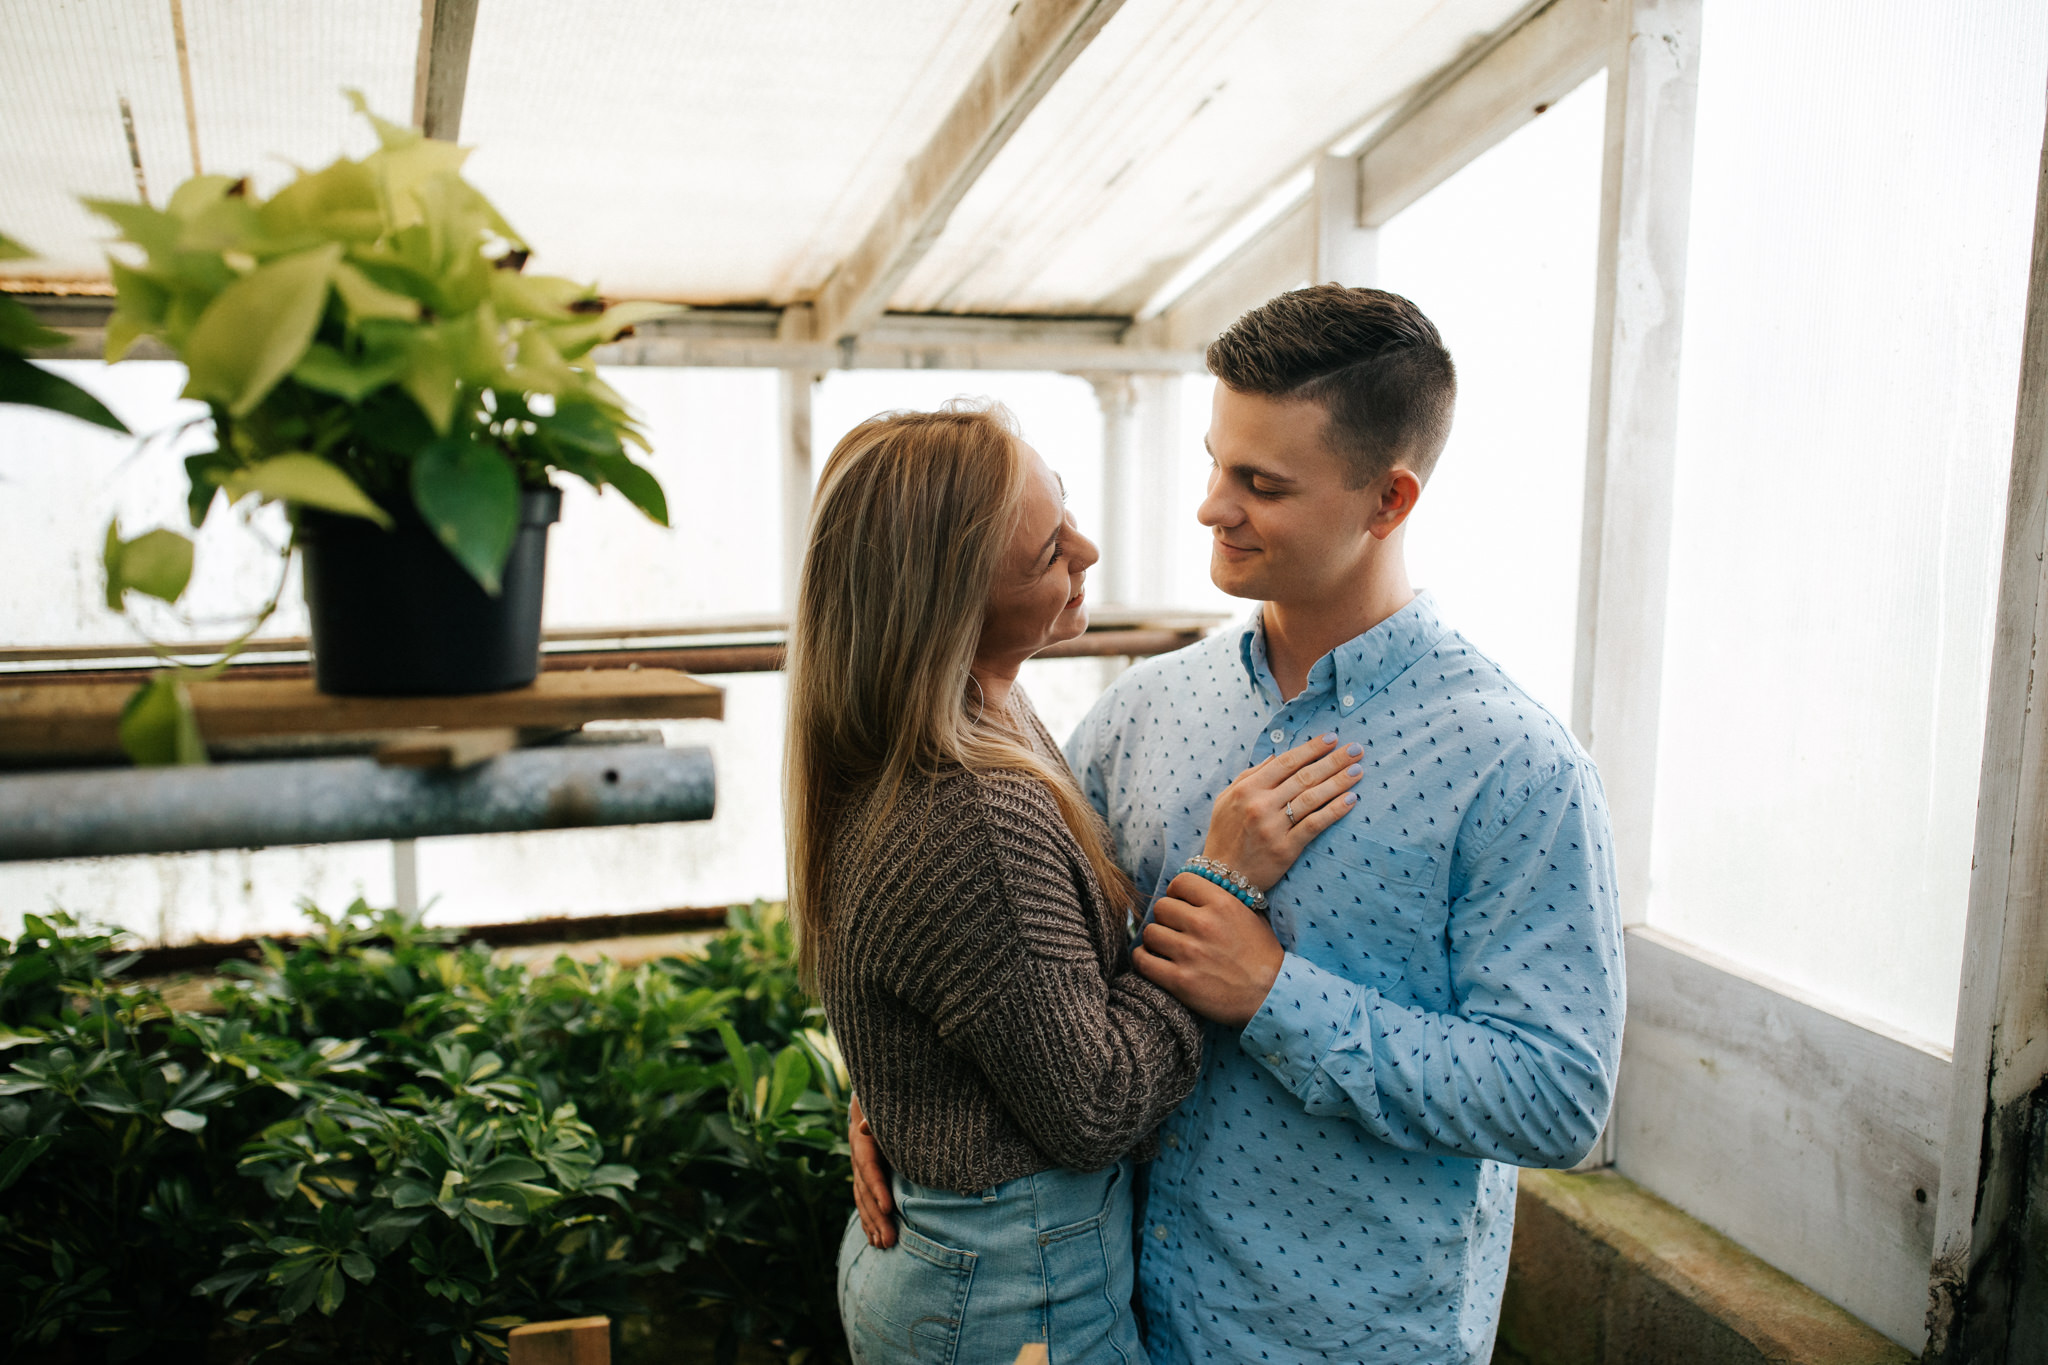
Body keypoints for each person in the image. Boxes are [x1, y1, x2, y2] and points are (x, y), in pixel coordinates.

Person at [850, 288, 1627, 1363]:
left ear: (1387, 499)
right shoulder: (1140, 713)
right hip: (1111, 1318)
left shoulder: (1515, 767)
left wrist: (1271, 995)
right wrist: (899, 1096)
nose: (1211, 507)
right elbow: (1015, 968)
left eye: (1260, 484)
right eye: (1215, 462)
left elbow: (1556, 1098)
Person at [789, 402, 1369, 1365]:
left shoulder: (955, 721)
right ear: (949, 607)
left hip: (954, 1267)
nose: (1089, 549)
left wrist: (892, 1098)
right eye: (1049, 551)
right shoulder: (976, 810)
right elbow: (1094, 1104)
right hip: (1015, 1300)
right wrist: (1217, 889)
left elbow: (958, 991)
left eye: (1068, 513)